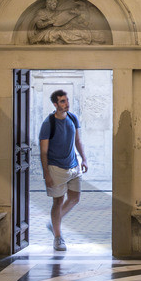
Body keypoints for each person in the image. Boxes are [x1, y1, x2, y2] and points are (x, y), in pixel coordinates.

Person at [38, 89, 87, 251]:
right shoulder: (48, 124)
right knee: (57, 202)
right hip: (55, 168)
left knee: (75, 198)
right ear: (55, 104)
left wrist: (84, 159)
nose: (67, 104)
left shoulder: (73, 118)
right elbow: (43, 152)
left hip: (73, 166)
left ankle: (54, 223)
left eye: (67, 100)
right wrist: (46, 174)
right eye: (62, 101)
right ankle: (58, 237)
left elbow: (78, 140)